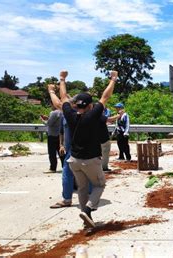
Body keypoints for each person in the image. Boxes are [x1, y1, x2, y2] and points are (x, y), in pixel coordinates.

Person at [48, 69, 118, 228]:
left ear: (76, 105)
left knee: (82, 187)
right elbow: (105, 96)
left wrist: (62, 79)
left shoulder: (70, 114)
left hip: (74, 160)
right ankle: (87, 209)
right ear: (90, 106)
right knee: (99, 185)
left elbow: (62, 98)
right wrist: (113, 79)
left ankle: (86, 218)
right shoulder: (93, 115)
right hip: (90, 160)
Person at [40, 106, 64, 173]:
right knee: (61, 152)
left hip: (52, 135)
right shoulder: (62, 111)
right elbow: (55, 121)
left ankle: (53, 168)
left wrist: (43, 120)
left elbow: (49, 124)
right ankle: (64, 167)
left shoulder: (53, 112)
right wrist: (48, 118)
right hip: (60, 135)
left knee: (52, 153)